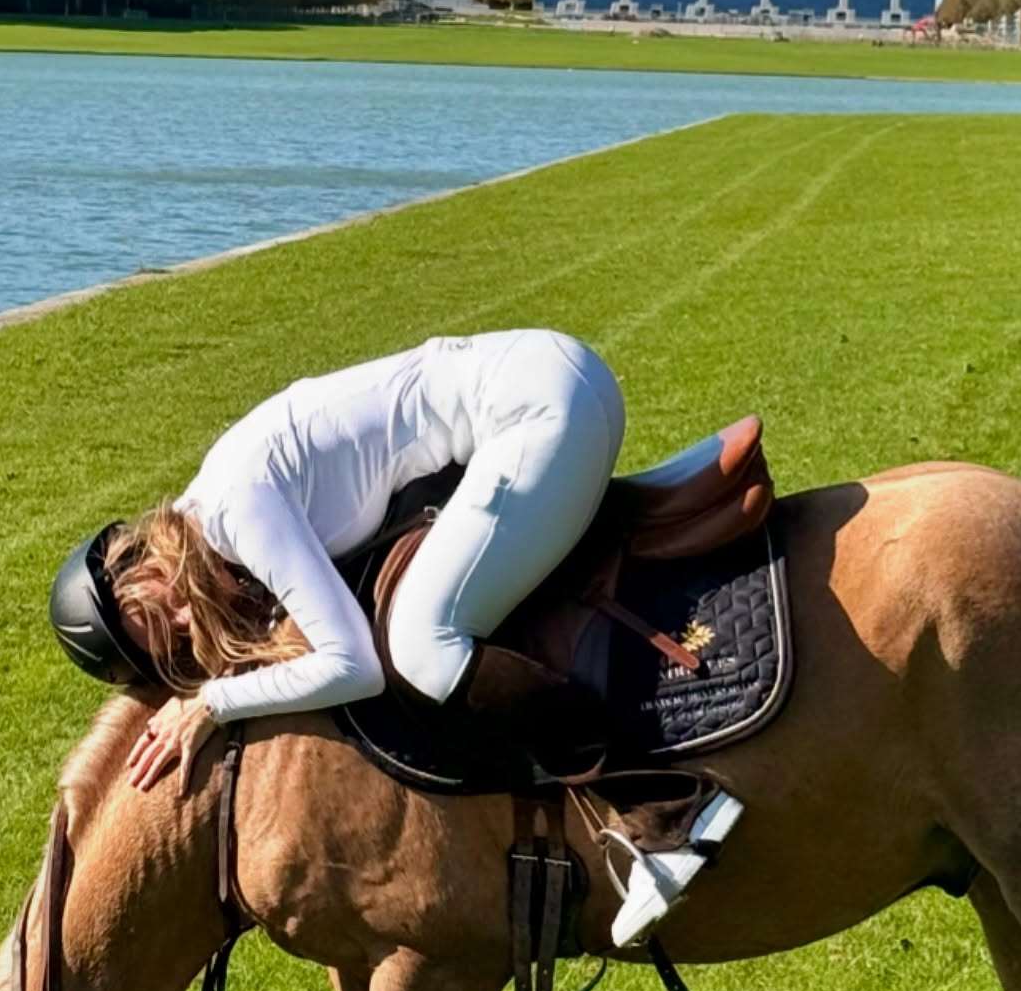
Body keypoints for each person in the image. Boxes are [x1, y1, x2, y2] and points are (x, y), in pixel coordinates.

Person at [51, 328, 737, 940]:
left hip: (538, 411)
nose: (183, 621)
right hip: (556, 376)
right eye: (172, 643)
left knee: (424, 646)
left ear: (139, 560)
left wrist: (211, 703)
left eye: (160, 610)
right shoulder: (216, 502)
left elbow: (353, 663)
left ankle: (668, 812)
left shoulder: (235, 510)